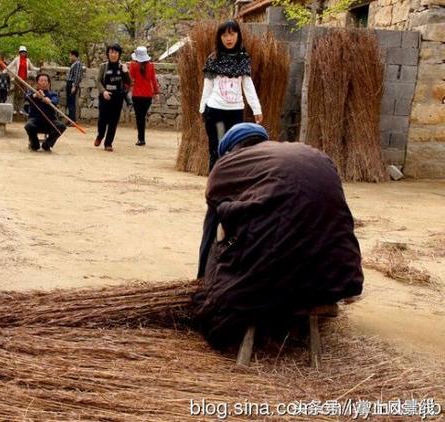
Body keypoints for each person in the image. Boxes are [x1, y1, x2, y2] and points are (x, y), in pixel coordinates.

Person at [193, 123, 364, 348]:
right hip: (337, 277)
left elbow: (211, 229)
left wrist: (203, 282)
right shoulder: (315, 155)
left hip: (275, 278)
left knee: (224, 249)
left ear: (231, 151)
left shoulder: (226, 165)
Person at [199, 20, 263, 171]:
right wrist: (202, 109)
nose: (228, 38)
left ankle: (231, 185)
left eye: (232, 34)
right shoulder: (213, 59)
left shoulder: (243, 59)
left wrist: (256, 109)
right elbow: (207, 86)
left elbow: (248, 86)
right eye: (225, 35)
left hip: (235, 113)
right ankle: (215, 184)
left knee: (235, 150)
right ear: (219, 37)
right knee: (218, 148)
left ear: (238, 35)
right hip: (216, 112)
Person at [94, 43, 131, 152]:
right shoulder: (103, 66)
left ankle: (108, 143)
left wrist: (126, 72)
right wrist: (103, 91)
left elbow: (128, 82)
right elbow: (98, 81)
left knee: (113, 121)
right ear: (108, 54)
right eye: (111, 52)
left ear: (119, 54)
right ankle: (100, 135)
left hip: (117, 97)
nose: (113, 54)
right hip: (105, 97)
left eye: (115, 52)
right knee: (102, 120)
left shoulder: (122, 67)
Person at [23, 74, 66, 152]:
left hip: (50, 121)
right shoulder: (32, 93)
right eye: (41, 80)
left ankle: (47, 144)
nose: (43, 82)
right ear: (37, 83)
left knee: (61, 126)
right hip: (35, 121)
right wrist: (36, 95)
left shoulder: (52, 94)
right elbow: (27, 97)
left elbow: (55, 101)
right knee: (28, 126)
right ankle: (35, 144)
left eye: (45, 81)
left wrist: (49, 100)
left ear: (49, 83)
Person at [129, 46, 160, 146]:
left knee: (139, 117)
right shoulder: (151, 66)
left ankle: (141, 139)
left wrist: (126, 87)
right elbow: (153, 80)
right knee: (142, 116)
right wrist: (156, 92)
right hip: (147, 95)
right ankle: (141, 138)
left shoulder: (133, 66)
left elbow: (129, 80)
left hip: (137, 95)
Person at [8, 46, 40, 118]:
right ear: (19, 53)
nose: (23, 53)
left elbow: (32, 68)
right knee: (16, 93)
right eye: (22, 52)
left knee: (22, 94)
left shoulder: (27, 60)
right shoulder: (17, 59)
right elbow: (10, 65)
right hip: (18, 78)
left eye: (24, 52)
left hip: (25, 79)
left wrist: (39, 69)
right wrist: (4, 71)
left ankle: (20, 109)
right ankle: (15, 109)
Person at [66, 50, 83, 123]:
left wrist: (74, 86)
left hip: (72, 84)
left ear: (73, 56)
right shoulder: (75, 64)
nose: (70, 57)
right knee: (69, 102)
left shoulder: (78, 64)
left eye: (70, 56)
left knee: (71, 102)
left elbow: (77, 76)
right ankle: (70, 119)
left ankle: (72, 120)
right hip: (70, 84)